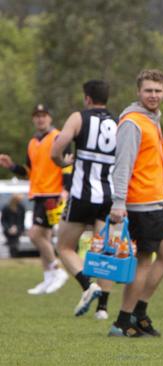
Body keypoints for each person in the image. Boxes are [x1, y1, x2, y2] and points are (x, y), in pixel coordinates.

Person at [108, 69, 163, 337]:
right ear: (138, 92)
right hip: (140, 203)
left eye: (158, 90)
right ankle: (123, 321)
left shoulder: (152, 120)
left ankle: (138, 312)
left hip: (155, 200)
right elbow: (122, 165)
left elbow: (144, 161)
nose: (153, 95)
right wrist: (118, 202)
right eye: (148, 90)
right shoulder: (133, 122)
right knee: (145, 261)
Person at [50, 80, 116, 319]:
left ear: (87, 98)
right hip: (108, 196)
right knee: (104, 252)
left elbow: (56, 150)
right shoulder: (118, 123)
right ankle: (103, 309)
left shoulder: (79, 117)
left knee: (64, 246)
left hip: (82, 195)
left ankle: (89, 286)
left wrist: (61, 163)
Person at [0, 104, 70, 294]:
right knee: (44, 237)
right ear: (33, 119)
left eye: (44, 115)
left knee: (35, 235)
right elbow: (29, 171)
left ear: (50, 118)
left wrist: (66, 189)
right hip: (38, 193)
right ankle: (48, 278)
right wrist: (12, 166)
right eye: (37, 116)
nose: (40, 119)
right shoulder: (33, 142)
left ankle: (57, 270)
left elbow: (68, 164)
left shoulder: (58, 137)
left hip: (52, 194)